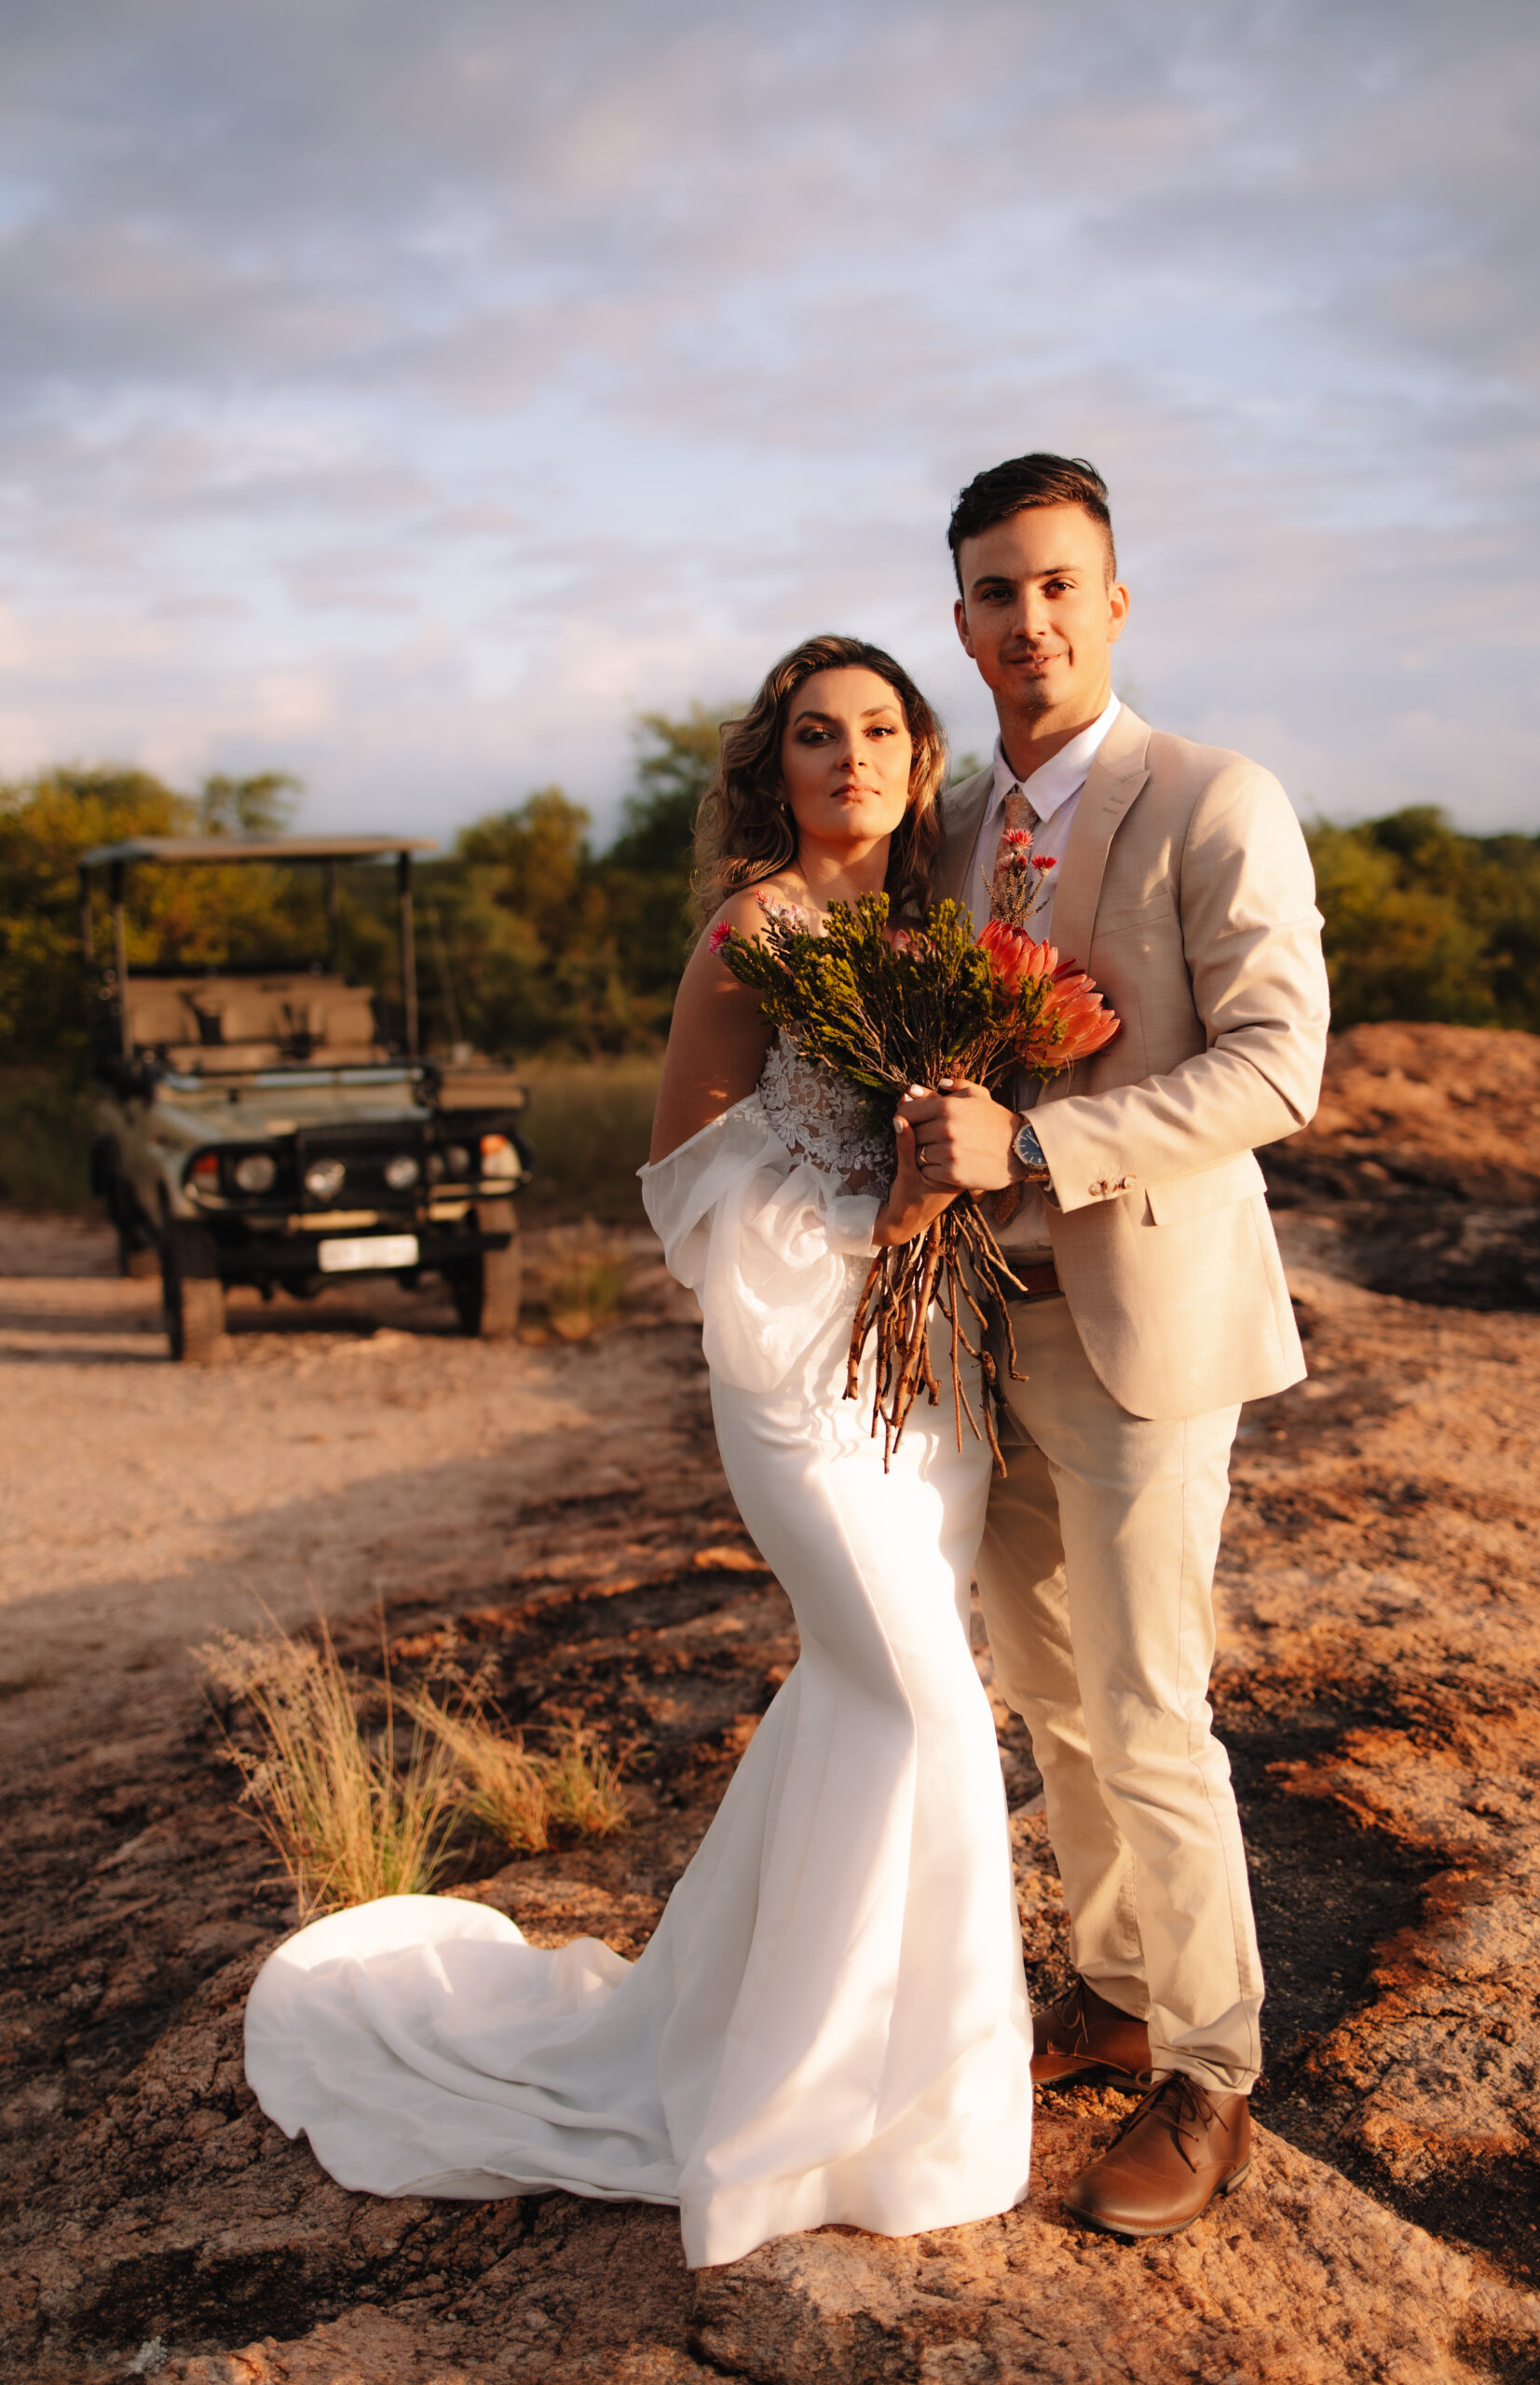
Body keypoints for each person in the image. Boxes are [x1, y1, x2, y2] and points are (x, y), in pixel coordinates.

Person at [243, 634, 1032, 2272]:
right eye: (817, 735)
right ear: (776, 766)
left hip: (925, 1383)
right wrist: (873, 1211)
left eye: (880, 729)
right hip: (799, 1373)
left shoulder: (933, 932)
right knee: (921, 1698)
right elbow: (682, 1194)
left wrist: (947, 1200)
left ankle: (794, 2039)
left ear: (919, 758)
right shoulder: (751, 936)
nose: (851, 758)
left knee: (857, 1705)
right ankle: (841, 2112)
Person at [901, 455, 1329, 2239]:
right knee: (1053, 1697)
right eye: (997, 595)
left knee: (1155, 1707)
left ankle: (1214, 2071)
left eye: (1060, 586)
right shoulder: (941, 834)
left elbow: (1278, 1065)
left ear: (1116, 603)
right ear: (963, 622)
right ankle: (1110, 1985)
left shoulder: (1217, 800)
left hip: (1145, 1321)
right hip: (977, 1331)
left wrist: (1046, 1146)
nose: (1030, 622)